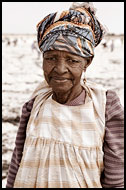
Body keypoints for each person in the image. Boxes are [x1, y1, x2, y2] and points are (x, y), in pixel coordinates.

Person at [6, 2, 124, 188]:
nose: (60, 69)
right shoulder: (34, 105)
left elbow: (117, 179)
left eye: (72, 60)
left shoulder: (105, 106)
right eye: (51, 58)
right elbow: (17, 163)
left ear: (87, 62)